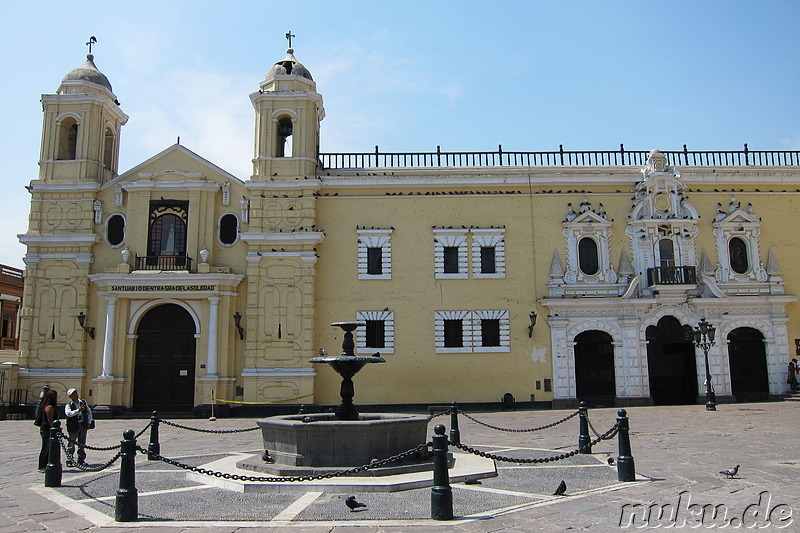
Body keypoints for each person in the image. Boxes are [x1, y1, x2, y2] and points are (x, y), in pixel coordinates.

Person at [65, 388, 93, 466]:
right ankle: (69, 460)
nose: (76, 395)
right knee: (71, 442)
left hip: (82, 424)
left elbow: (88, 412)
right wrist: (78, 410)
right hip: (74, 425)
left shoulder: (83, 402)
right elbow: (68, 414)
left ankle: (81, 459)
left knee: (82, 443)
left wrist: (89, 422)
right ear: (70, 396)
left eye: (76, 393)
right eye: (73, 394)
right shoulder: (69, 405)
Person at [37, 389, 58, 472]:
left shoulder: (48, 406)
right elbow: (50, 420)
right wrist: (55, 428)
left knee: (49, 448)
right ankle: (41, 466)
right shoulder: (49, 407)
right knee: (45, 448)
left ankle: (47, 463)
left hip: (47, 429)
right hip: (47, 430)